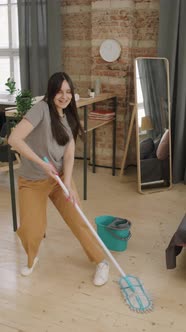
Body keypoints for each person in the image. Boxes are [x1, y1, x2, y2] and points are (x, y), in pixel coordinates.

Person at [8, 72, 109, 286]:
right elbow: (14, 138)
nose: (64, 96)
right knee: (32, 228)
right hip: (33, 180)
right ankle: (32, 256)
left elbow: (70, 153)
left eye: (68, 92)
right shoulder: (41, 110)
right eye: (60, 92)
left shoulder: (70, 116)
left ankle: (101, 262)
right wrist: (42, 164)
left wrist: (69, 184)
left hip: (59, 178)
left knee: (78, 219)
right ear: (52, 92)